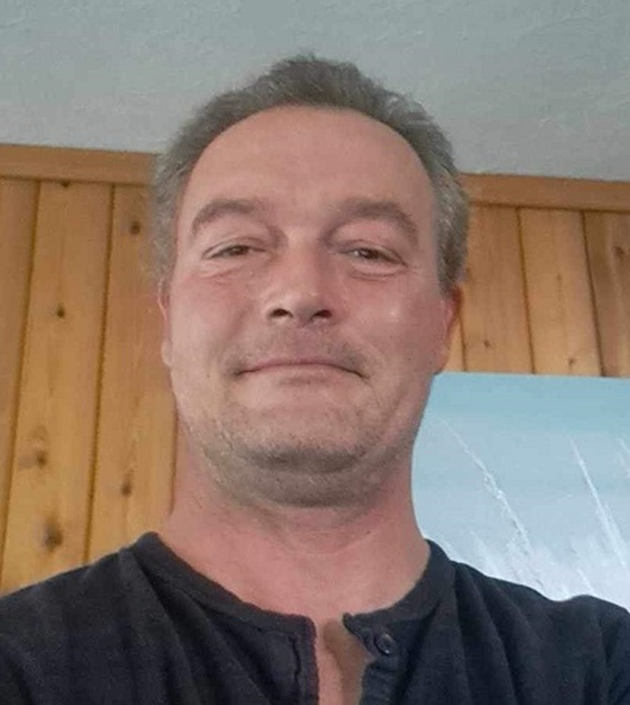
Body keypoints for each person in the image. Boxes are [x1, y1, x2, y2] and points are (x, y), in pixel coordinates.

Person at [0, 54, 629, 705]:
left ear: (444, 322)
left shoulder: (603, 665)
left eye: (367, 250)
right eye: (236, 246)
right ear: (169, 319)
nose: (300, 293)